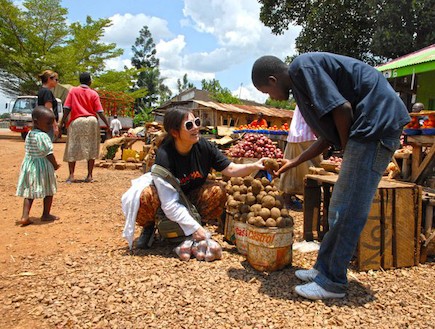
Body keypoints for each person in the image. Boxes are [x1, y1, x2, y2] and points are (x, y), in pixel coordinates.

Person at [252, 53, 410, 300]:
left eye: (266, 92)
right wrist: (294, 161)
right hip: (368, 129)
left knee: (349, 207)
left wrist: (348, 150)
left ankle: (333, 282)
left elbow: (343, 109)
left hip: (375, 126)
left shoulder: (301, 68)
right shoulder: (301, 85)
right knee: (337, 207)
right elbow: (328, 135)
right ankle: (322, 270)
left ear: (272, 80)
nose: (269, 97)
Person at [136, 107, 266, 248]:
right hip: (165, 200)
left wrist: (255, 166)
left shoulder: (204, 147)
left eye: (197, 122)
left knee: (218, 191)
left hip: (191, 196)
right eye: (189, 125)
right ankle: (149, 227)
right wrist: (194, 229)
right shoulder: (165, 155)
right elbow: (169, 204)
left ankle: (197, 221)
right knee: (145, 196)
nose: (196, 128)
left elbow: (230, 168)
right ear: (174, 132)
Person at [59, 72, 110, 183]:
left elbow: (67, 108)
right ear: (89, 81)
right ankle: (89, 175)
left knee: (73, 147)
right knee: (91, 147)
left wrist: (61, 123)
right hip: (91, 121)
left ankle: (72, 175)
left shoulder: (73, 91)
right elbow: (100, 111)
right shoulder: (93, 93)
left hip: (77, 121)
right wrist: (107, 125)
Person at [16, 106, 61, 226]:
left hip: (30, 165)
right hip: (42, 168)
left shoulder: (30, 133)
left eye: (52, 123)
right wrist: (55, 165)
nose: (50, 126)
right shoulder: (42, 136)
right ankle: (46, 214)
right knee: (49, 191)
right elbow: (48, 153)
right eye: (48, 123)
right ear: (36, 121)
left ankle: (25, 216)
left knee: (29, 193)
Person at [280, 106, 320, 210]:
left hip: (293, 136)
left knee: (290, 170)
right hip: (308, 136)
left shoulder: (300, 96)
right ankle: (311, 203)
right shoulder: (313, 95)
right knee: (315, 169)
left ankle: (288, 200)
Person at [37, 70, 60, 141]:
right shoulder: (47, 92)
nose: (57, 82)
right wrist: (55, 126)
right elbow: (49, 110)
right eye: (56, 79)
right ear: (49, 79)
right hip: (48, 125)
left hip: (41, 123)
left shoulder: (41, 91)